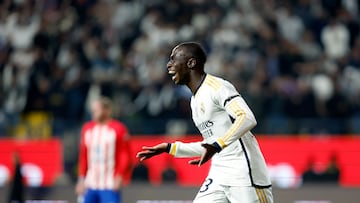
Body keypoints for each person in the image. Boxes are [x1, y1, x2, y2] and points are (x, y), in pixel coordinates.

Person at [137, 42, 273, 203]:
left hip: (244, 174)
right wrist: (170, 148)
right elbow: (210, 143)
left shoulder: (217, 87)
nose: (169, 65)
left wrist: (217, 145)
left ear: (191, 63)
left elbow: (247, 118)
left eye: (174, 59)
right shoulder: (194, 101)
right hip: (219, 174)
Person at [76, 97, 130, 203]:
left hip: (109, 183)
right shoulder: (87, 129)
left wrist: (119, 176)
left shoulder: (118, 129)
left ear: (106, 110)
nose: (93, 112)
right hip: (90, 183)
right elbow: (83, 156)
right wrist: (81, 179)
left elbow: (124, 155)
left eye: (96, 109)